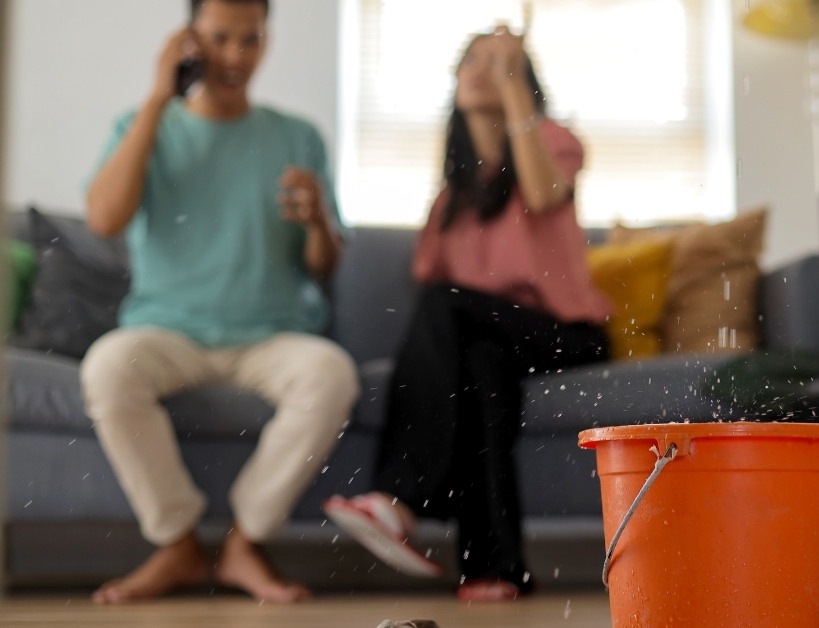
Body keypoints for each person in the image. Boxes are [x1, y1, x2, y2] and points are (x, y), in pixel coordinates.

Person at [80, 0, 359, 604]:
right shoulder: (142, 126)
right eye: (220, 38)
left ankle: (244, 544)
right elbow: (104, 218)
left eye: (250, 40)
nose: (235, 55)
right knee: (106, 367)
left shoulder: (298, 136)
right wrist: (159, 98)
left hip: (272, 334)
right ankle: (177, 544)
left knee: (332, 374)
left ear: (266, 41)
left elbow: (325, 263)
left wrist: (318, 222)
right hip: (168, 330)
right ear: (189, 41)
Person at [323, 26, 612, 602]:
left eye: (501, 63)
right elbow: (436, 291)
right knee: (481, 369)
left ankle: (400, 500)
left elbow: (544, 191)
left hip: (565, 334)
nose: (481, 70)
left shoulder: (553, 140)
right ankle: (496, 568)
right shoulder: (451, 199)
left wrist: (515, 93)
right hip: (496, 341)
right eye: (471, 62)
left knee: (447, 309)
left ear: (524, 83)